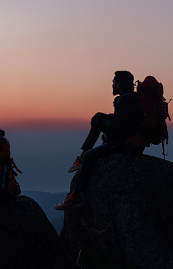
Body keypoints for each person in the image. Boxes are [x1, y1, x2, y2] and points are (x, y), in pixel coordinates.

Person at [54, 71, 144, 210]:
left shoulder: (123, 100)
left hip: (124, 143)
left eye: (113, 82)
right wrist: (104, 116)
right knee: (98, 119)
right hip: (132, 140)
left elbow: (116, 130)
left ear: (119, 85)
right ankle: (81, 157)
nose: (112, 85)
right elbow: (125, 120)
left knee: (90, 156)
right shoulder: (134, 97)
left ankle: (76, 195)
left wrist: (106, 139)